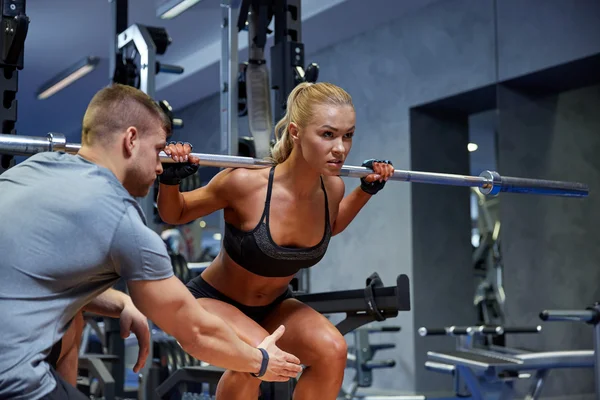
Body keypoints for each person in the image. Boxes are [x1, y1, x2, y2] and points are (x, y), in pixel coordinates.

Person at [0, 83, 302, 400]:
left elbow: (35, 282)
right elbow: (194, 331)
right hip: (11, 383)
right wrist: (262, 361)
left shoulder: (31, 170)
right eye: (157, 150)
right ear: (131, 140)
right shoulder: (117, 214)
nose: (160, 166)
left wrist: (123, 302)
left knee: (72, 324)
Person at [157, 81, 395, 400]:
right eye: (328, 134)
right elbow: (176, 213)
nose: (340, 148)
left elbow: (330, 225)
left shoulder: (333, 189)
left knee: (332, 349)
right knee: (261, 357)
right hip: (210, 304)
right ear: (295, 132)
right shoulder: (245, 184)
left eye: (347, 135)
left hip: (275, 306)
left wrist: (365, 191)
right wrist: (170, 179)